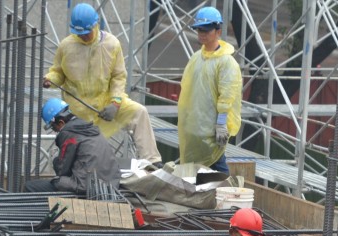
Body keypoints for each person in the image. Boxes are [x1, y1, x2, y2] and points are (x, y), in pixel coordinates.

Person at [43, 3, 163, 167]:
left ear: (95, 25)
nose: (83, 37)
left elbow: (118, 77)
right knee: (82, 153)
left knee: (139, 112)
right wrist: (51, 79)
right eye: (80, 34)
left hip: (106, 104)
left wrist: (115, 103)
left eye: (86, 32)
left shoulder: (111, 44)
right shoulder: (66, 46)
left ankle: (152, 162)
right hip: (79, 111)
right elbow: (58, 72)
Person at [177, 6, 242, 174]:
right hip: (194, 128)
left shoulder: (226, 62)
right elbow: (187, 89)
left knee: (218, 168)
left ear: (218, 31)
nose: (202, 34)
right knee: (193, 173)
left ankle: (229, 198)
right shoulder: (196, 58)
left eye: (206, 30)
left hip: (211, 130)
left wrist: (221, 123)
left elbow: (227, 95)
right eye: (199, 30)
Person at [24, 98, 120, 194]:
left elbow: (62, 170)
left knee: (30, 186)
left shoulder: (69, 133)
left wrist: (55, 161)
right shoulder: (88, 129)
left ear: (61, 122)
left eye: (54, 127)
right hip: (111, 185)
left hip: (85, 186)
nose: (55, 131)